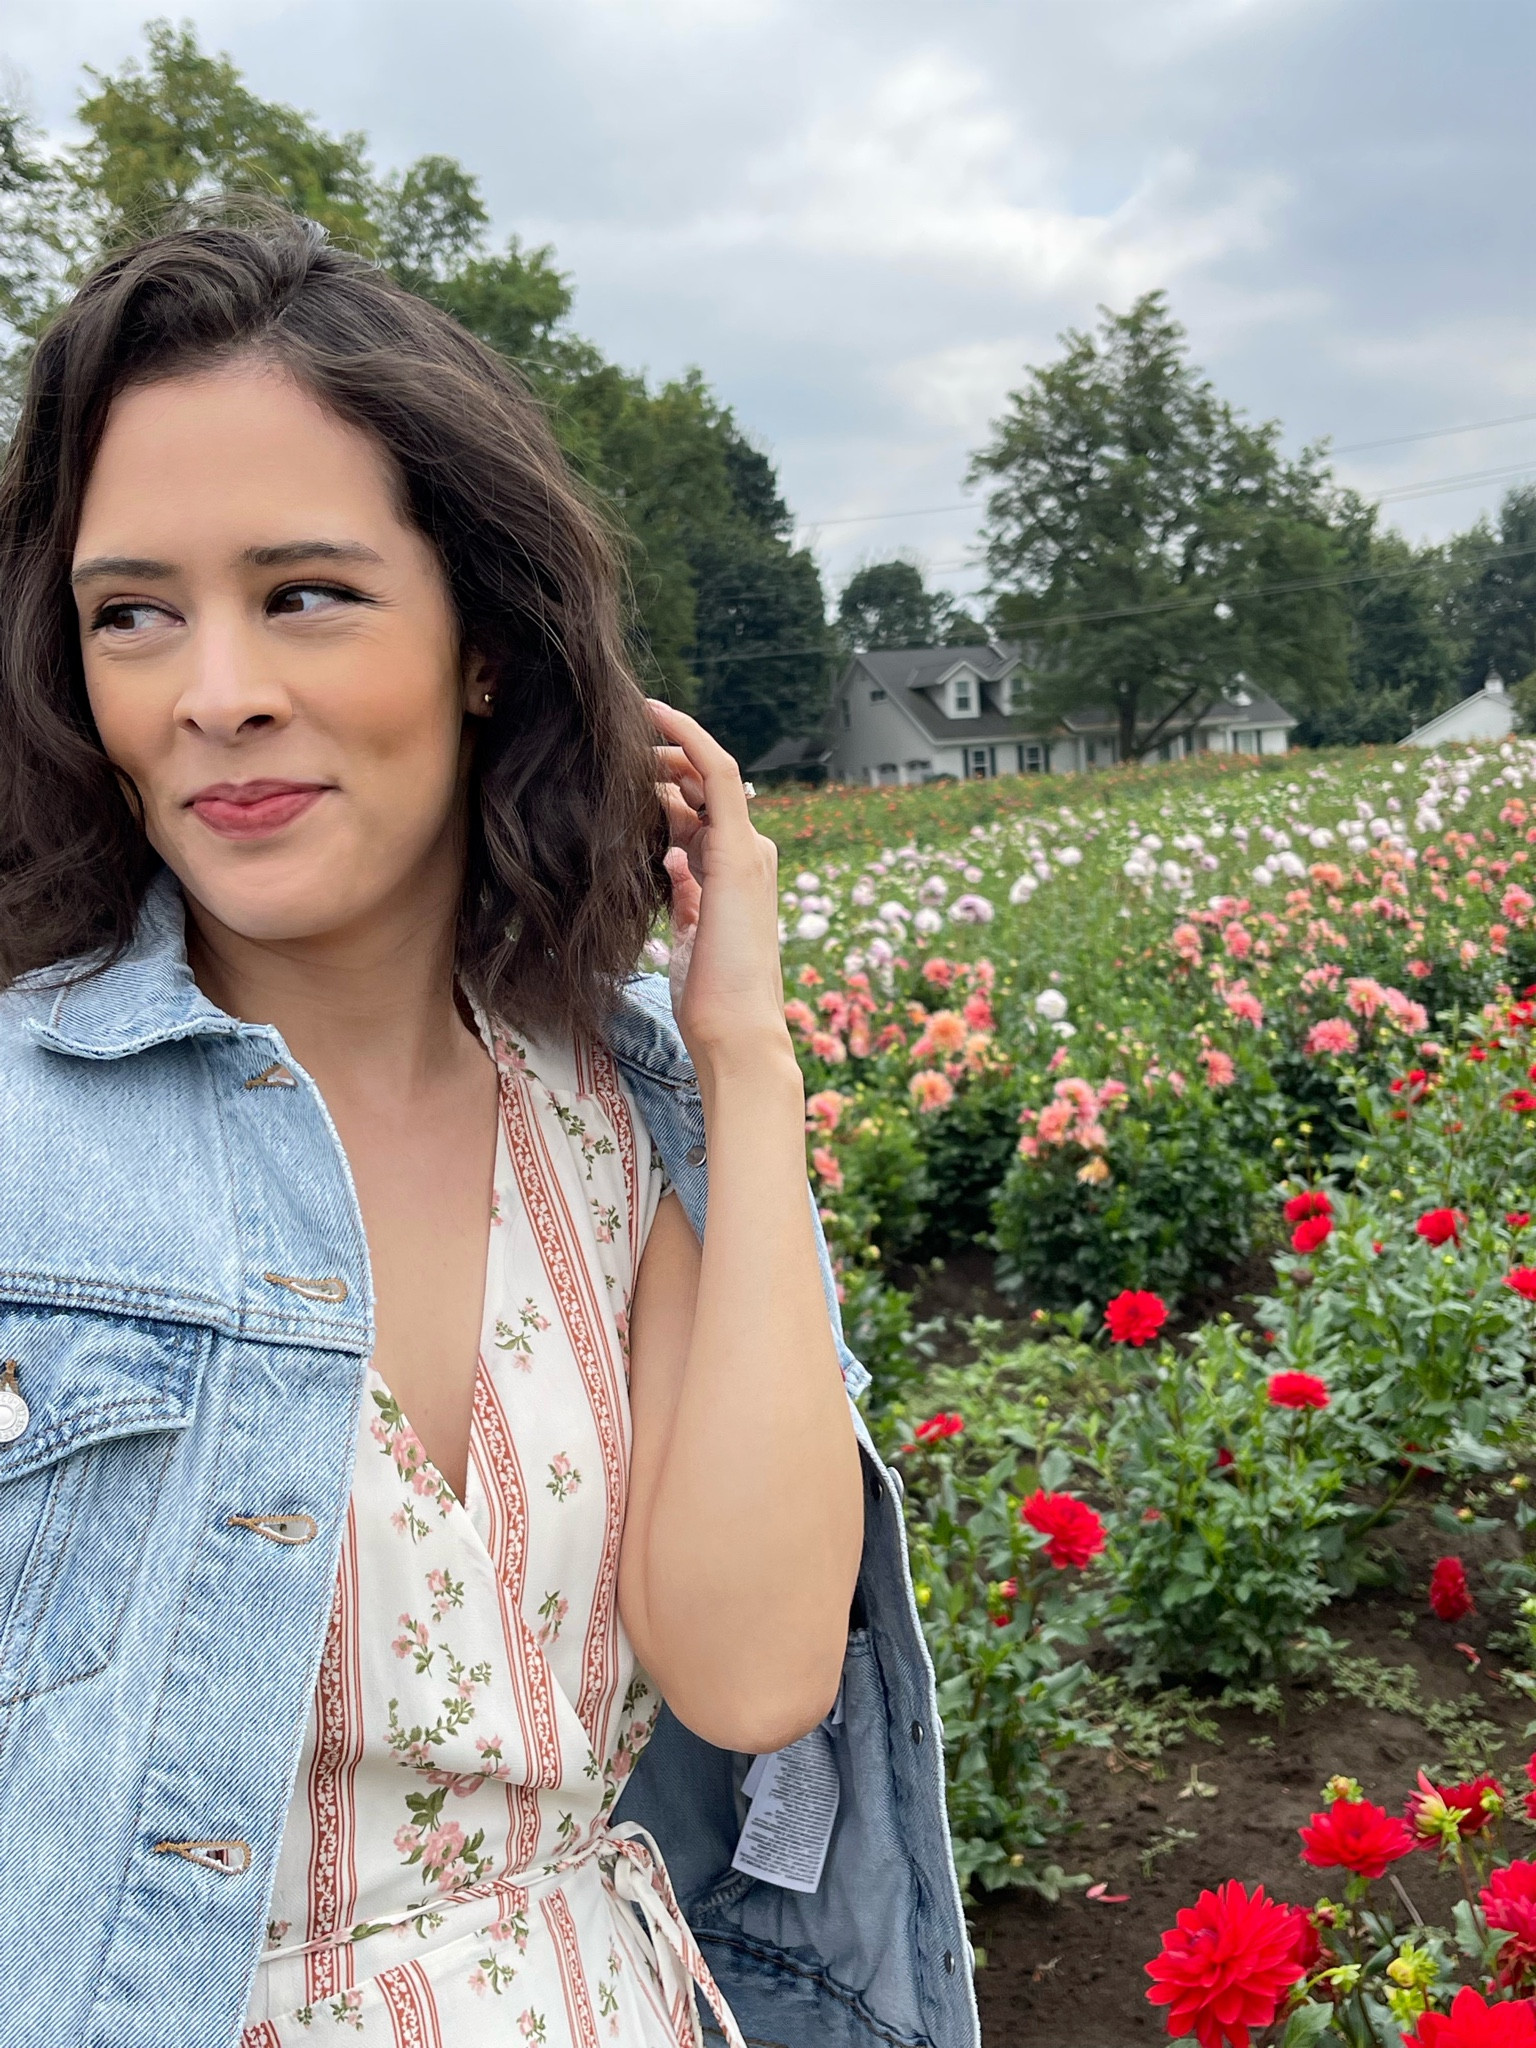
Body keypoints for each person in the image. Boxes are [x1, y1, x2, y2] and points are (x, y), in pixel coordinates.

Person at [0, 205, 977, 2048]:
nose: (216, 692)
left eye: (305, 592)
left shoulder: (621, 1114)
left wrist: (746, 1051)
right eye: (136, 614)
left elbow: (757, 1667)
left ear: (483, 645)